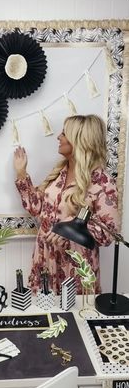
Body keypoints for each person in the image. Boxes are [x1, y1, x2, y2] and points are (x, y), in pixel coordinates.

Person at [13, 114, 119, 295]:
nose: (58, 137)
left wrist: (72, 226)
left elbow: (109, 232)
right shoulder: (59, 173)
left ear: (79, 139)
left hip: (75, 264)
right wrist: (22, 172)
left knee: (74, 319)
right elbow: (37, 209)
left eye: (64, 133)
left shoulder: (102, 182)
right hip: (45, 258)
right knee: (45, 315)